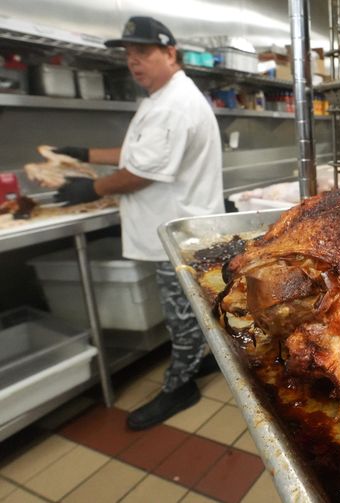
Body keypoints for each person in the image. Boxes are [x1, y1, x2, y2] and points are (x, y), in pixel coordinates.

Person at [54, 16, 224, 430]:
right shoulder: (163, 98)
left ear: (170, 53)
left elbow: (141, 173)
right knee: (192, 310)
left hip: (177, 233)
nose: (134, 62)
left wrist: (90, 189)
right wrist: (85, 152)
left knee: (181, 315)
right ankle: (198, 361)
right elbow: (137, 153)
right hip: (173, 227)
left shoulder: (175, 103)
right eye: (129, 55)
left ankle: (179, 386)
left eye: (143, 53)